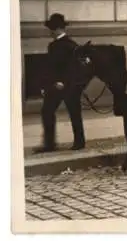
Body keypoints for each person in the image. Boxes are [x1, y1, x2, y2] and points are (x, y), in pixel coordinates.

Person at [33, 13, 86, 153]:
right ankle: (50, 144)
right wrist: (47, 85)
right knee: (47, 111)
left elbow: (75, 68)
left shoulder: (71, 46)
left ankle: (79, 142)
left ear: (57, 29)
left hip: (68, 86)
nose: (50, 32)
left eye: (51, 29)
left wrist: (63, 82)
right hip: (55, 86)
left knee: (74, 113)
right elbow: (50, 68)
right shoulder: (55, 45)